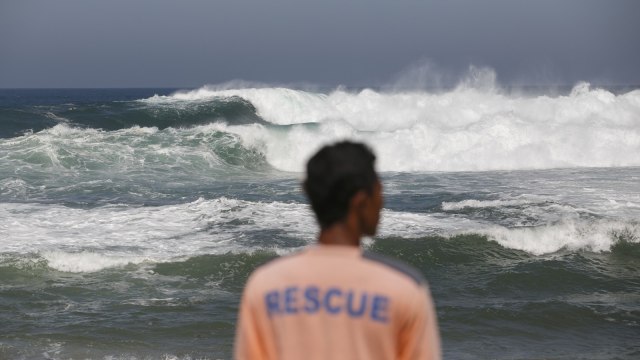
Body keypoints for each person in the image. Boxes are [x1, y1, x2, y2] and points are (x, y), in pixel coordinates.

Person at [234, 141, 441, 360]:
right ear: (360, 201)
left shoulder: (266, 284)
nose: (382, 202)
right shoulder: (404, 289)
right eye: (379, 191)